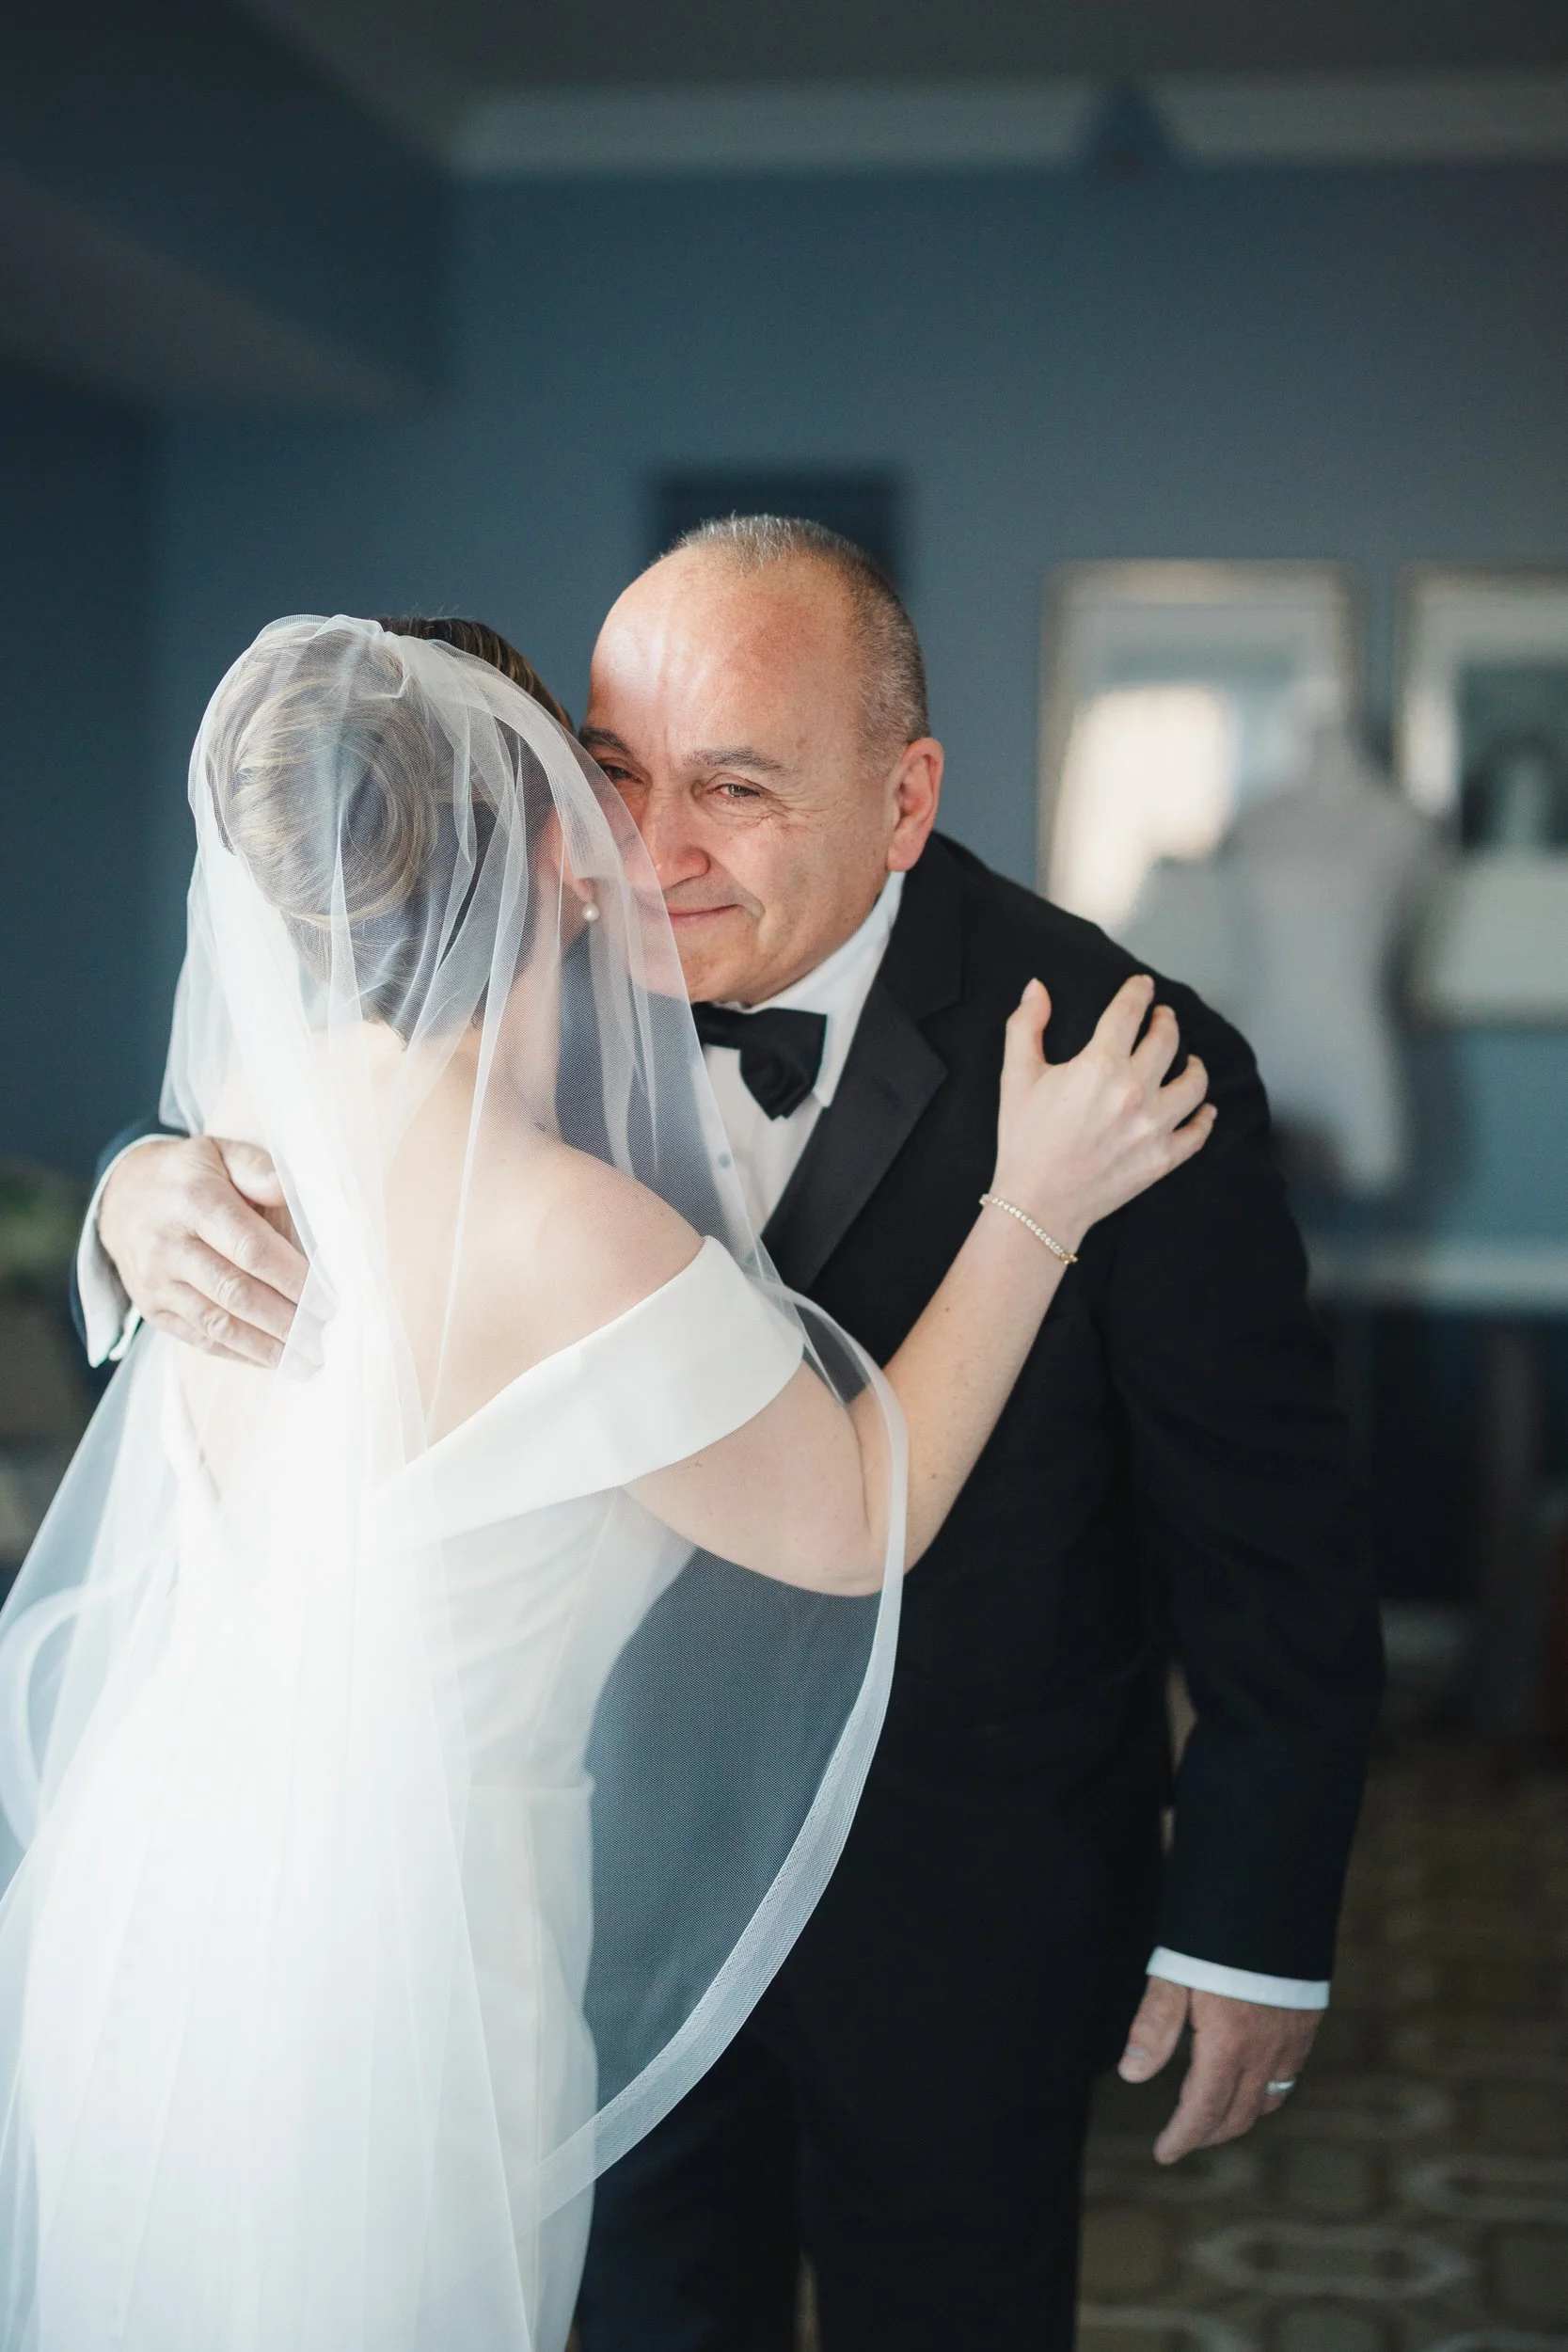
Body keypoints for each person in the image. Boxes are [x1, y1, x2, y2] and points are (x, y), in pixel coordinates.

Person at [83, 525, 1383, 2352]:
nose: (655, 850)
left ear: (903, 794)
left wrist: (1245, 1916)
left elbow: (1272, 1540)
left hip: (951, 1916)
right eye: (612, 776)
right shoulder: (498, 993)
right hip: (573, 1906)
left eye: (735, 789)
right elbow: (295, 1193)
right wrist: (138, 1200)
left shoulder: (1107, 1054)